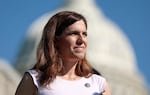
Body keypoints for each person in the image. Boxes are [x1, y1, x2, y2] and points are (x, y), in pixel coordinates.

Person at [15, 11, 111, 95]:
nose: (81, 40)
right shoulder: (34, 79)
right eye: (74, 33)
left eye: (84, 34)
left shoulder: (99, 84)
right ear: (55, 40)